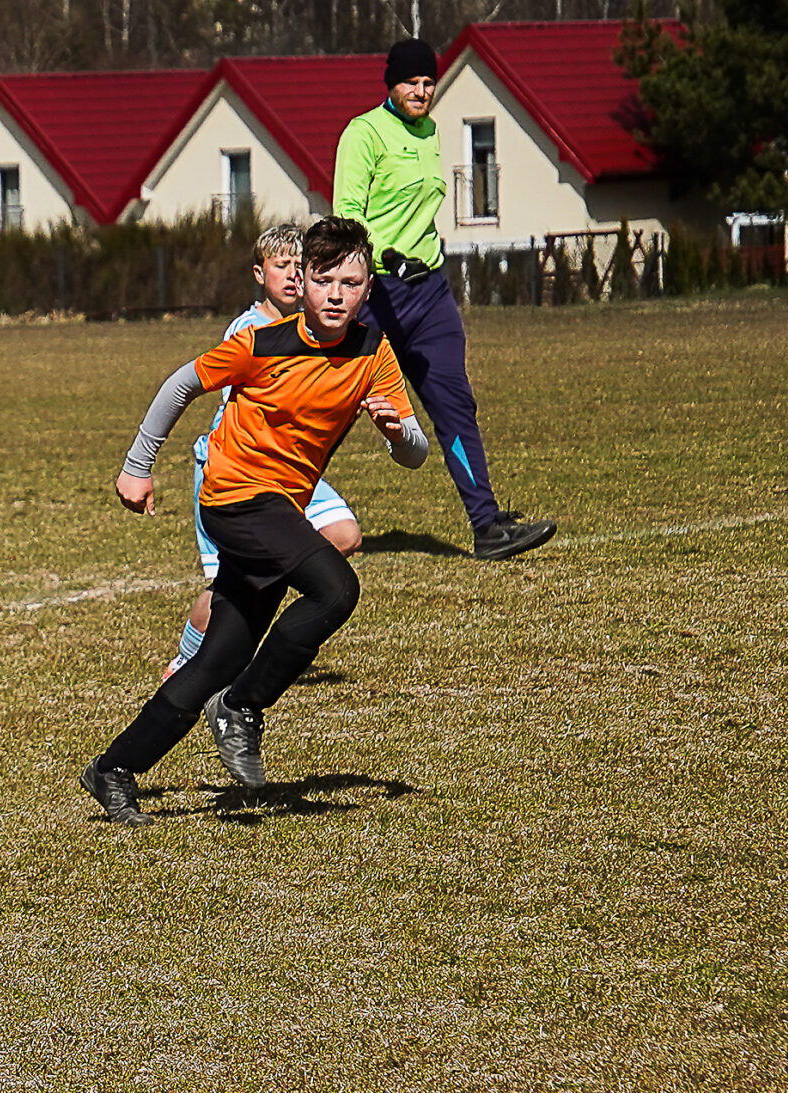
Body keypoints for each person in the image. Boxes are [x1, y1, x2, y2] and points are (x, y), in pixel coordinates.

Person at [82, 217, 428, 826]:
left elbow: (416, 452)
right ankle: (243, 705)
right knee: (335, 589)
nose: (336, 295)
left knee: (217, 659)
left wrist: (397, 433)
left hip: (282, 509)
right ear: (303, 280)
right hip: (234, 498)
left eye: (350, 283)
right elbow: (180, 386)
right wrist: (136, 467)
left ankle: (114, 769)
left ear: (368, 289)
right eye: (323, 280)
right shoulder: (262, 341)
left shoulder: (373, 353)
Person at [332, 37, 555, 561]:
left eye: (429, 82)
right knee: (331, 408)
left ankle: (487, 525)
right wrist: (387, 257)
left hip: (429, 293)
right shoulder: (363, 133)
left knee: (455, 403)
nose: (421, 91)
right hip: (376, 295)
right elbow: (347, 215)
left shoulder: (430, 132)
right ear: (391, 83)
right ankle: (274, 511)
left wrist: (423, 258)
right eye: (411, 82)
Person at [165, 222, 364, 677]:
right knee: (229, 586)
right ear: (260, 274)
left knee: (344, 534)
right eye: (281, 265)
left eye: (300, 266)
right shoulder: (250, 330)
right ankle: (187, 660)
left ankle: (253, 630)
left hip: (290, 469)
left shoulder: (315, 328)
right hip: (239, 469)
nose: (292, 275)